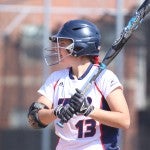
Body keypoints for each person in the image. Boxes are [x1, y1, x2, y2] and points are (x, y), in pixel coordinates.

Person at [28, 19, 130, 150]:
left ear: (79, 47)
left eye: (63, 44)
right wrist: (57, 112)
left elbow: (124, 120)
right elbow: (35, 118)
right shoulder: (56, 79)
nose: (58, 49)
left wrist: (89, 110)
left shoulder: (105, 77)